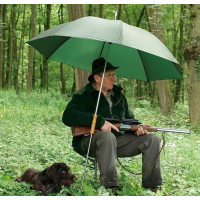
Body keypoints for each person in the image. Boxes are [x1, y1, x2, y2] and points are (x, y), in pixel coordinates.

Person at [62, 57, 162, 193]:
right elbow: (68, 116)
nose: (114, 79)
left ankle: (152, 187)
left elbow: (130, 119)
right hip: (90, 141)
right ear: (97, 78)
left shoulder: (119, 96)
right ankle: (111, 186)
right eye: (109, 75)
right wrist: (99, 122)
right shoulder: (84, 95)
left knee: (153, 139)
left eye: (113, 75)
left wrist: (137, 128)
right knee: (107, 136)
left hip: (118, 141)